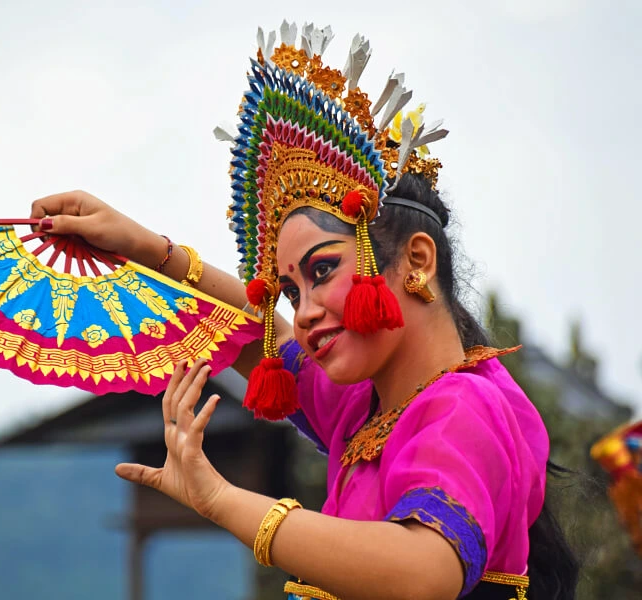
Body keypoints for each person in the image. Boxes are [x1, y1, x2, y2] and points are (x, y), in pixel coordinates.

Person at [29, 24, 578, 600]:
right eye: (291, 292)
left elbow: (424, 571)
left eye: (322, 272)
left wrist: (222, 500)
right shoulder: (363, 411)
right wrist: (143, 249)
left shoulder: (462, 405)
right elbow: (248, 329)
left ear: (416, 260)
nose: (305, 313)